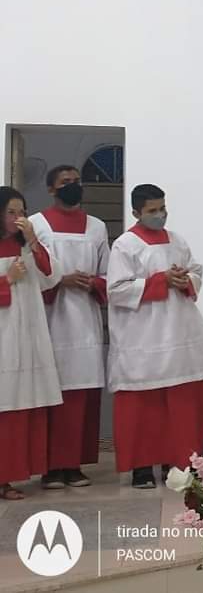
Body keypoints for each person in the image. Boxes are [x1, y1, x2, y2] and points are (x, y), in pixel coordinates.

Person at [107, 184, 203, 488]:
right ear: (136, 212)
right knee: (144, 407)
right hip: (144, 336)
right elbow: (116, 290)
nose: (160, 215)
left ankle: (182, 463)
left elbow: (196, 271)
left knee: (184, 404)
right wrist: (160, 280)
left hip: (179, 332)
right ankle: (142, 468)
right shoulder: (125, 245)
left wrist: (186, 280)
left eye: (163, 208)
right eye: (152, 210)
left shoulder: (177, 240)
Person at [30, 166, 110, 489]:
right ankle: (50, 467)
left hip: (86, 321)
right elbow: (29, 272)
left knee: (82, 394)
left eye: (77, 181)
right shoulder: (36, 224)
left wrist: (95, 283)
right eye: (66, 182)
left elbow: (109, 274)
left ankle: (74, 464)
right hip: (51, 318)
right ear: (51, 189)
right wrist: (59, 280)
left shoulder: (97, 227)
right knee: (52, 393)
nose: (73, 186)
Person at [0, 186, 63, 500]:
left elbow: (51, 277)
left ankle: (11, 475)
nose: (18, 218)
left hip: (27, 335)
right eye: (11, 212)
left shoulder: (26, 246)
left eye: (22, 212)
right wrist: (6, 280)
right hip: (3, 335)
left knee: (22, 404)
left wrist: (34, 242)